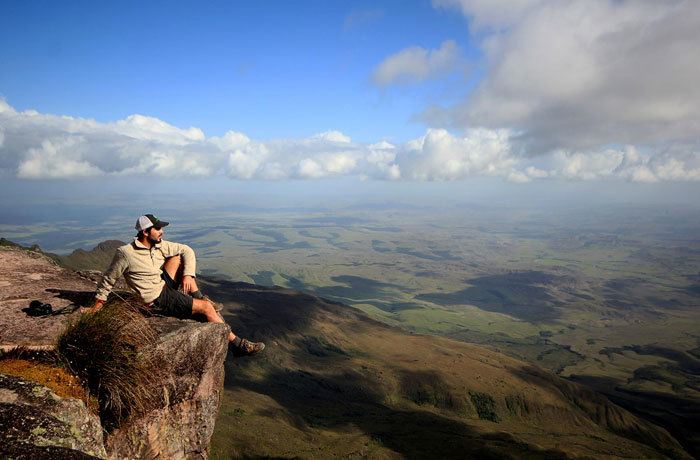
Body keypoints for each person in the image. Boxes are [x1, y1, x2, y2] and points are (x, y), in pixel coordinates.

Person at [86, 213, 265, 355]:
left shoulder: (158, 245)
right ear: (146, 232)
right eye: (157, 229)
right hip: (157, 299)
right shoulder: (125, 253)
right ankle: (239, 345)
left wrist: (187, 275)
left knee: (177, 257)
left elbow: (186, 250)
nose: (162, 231)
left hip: (162, 285)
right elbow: (109, 278)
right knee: (207, 310)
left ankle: (198, 296)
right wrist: (98, 303)